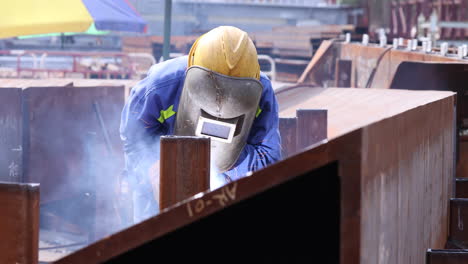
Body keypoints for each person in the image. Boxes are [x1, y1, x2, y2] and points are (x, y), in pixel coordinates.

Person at [120, 26, 281, 223]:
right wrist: (154, 170)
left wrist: (221, 180)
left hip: (228, 187)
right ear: (191, 69)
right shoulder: (160, 85)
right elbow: (134, 139)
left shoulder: (261, 92)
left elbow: (268, 156)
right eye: (213, 89)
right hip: (159, 187)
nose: (221, 102)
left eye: (234, 95)